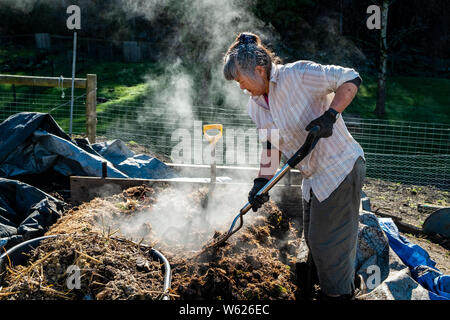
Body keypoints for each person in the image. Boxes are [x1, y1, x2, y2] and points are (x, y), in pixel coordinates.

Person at [223, 32, 366, 300]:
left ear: (259, 69)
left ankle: (340, 295)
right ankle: (335, 288)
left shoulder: (298, 75)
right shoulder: (256, 106)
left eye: (241, 80)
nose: (241, 87)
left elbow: (350, 77)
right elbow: (271, 146)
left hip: (339, 169)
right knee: (314, 241)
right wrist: (260, 183)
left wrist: (330, 116)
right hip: (314, 178)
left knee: (327, 245)